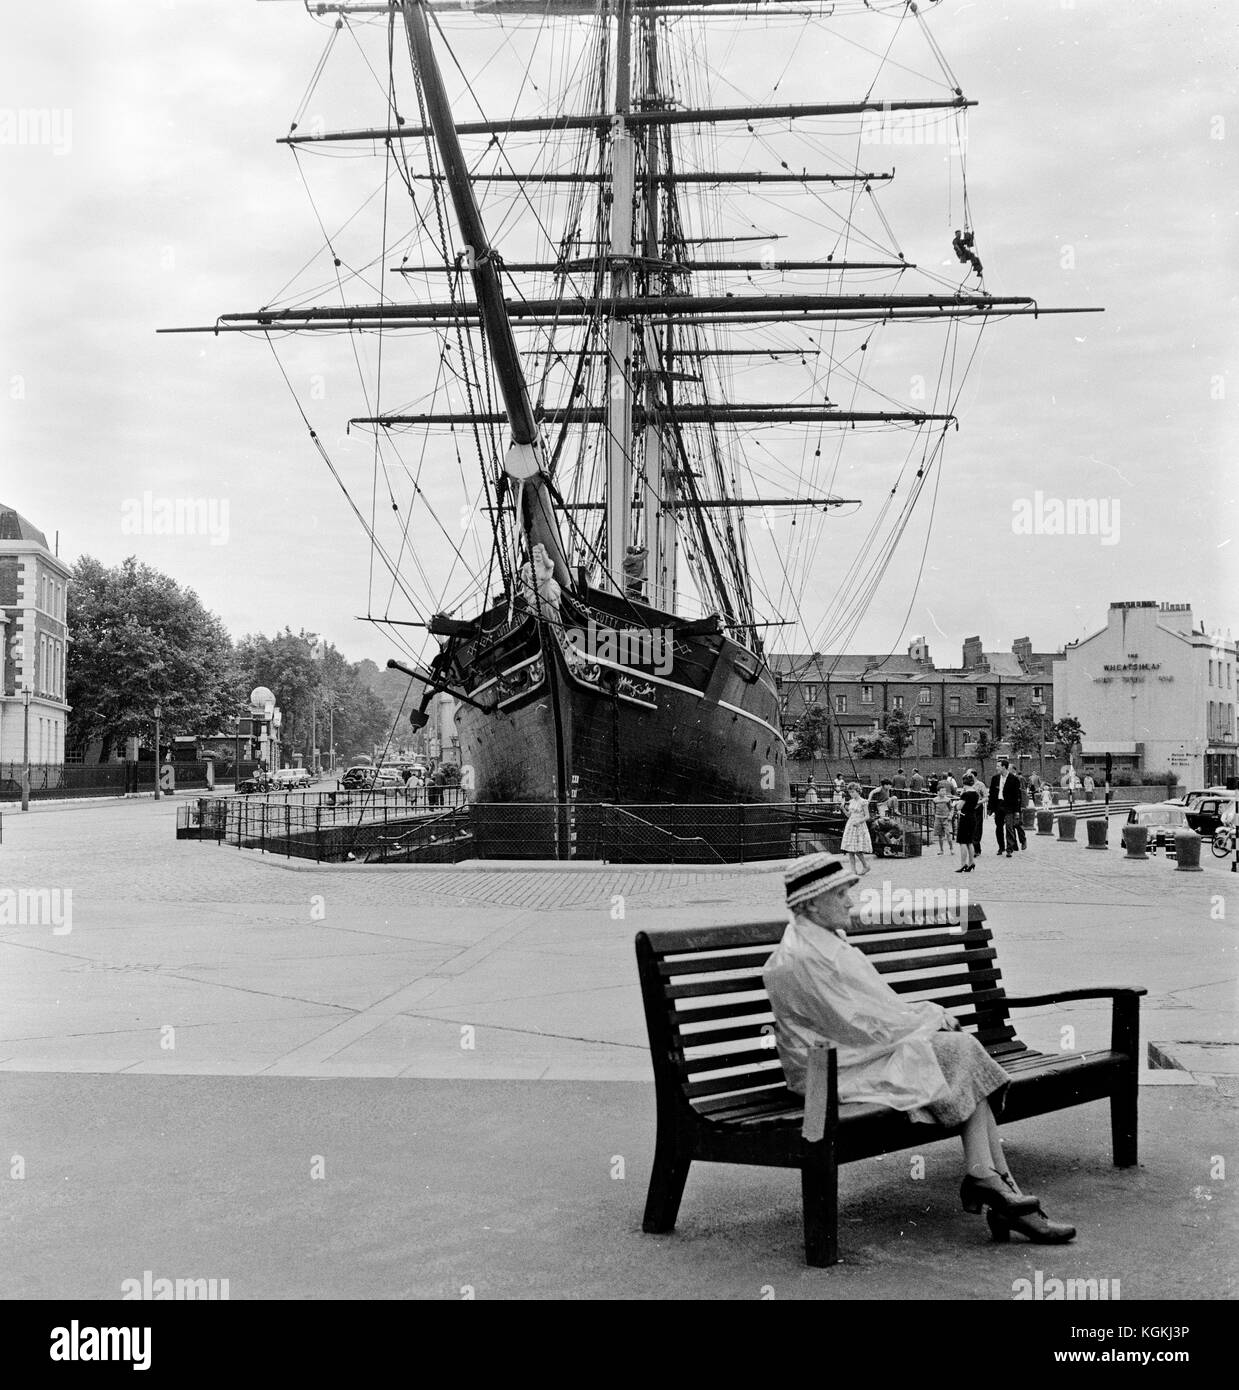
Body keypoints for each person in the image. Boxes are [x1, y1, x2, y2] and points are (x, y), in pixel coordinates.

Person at [763, 854, 1074, 1244]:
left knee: (959, 1054)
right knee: (958, 1053)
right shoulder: (804, 957)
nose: (850, 902)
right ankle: (997, 1189)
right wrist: (927, 1019)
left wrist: (925, 1019)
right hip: (829, 1074)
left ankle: (994, 1184)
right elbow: (857, 1026)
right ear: (810, 903)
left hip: (852, 1057)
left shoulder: (821, 943)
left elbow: (868, 1017)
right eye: (840, 893)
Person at [988, 757, 1023, 858]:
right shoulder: (995, 778)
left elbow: (1017, 796)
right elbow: (992, 793)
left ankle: (1009, 848)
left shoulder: (1014, 779)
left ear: (1004, 767)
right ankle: (1001, 847)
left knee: (1009, 827)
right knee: (998, 827)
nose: (996, 768)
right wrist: (990, 808)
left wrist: (1017, 811)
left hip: (1009, 806)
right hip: (998, 805)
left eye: (998, 766)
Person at [840, 782, 872, 878]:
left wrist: (859, 822)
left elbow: (867, 816)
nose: (852, 794)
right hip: (851, 825)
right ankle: (853, 870)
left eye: (853, 792)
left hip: (859, 826)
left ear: (858, 791)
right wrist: (843, 809)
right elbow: (849, 815)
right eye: (850, 792)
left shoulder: (863, 802)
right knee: (850, 850)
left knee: (857, 849)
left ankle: (865, 865)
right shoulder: (851, 801)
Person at [955, 772, 984, 873]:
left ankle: (963, 864)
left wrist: (956, 804)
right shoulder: (975, 793)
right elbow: (974, 804)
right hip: (973, 817)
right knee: (970, 842)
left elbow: (959, 807)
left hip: (965, 818)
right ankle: (971, 862)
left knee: (962, 842)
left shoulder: (965, 794)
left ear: (964, 782)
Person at [932, 780, 955, 856]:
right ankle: (941, 849)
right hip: (938, 818)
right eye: (942, 791)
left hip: (946, 819)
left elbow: (951, 808)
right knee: (940, 835)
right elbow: (933, 808)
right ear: (938, 792)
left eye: (944, 791)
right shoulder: (935, 800)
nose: (943, 792)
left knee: (948, 834)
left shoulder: (948, 800)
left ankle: (951, 849)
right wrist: (934, 815)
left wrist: (950, 816)